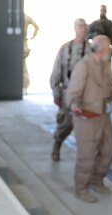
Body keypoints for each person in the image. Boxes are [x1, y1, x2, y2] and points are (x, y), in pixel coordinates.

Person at [65, 35, 112, 203]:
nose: (111, 50)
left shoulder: (105, 66)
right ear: (102, 49)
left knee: (108, 150)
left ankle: (96, 180)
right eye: (109, 47)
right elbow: (72, 94)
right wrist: (74, 106)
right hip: (86, 118)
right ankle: (81, 188)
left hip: (103, 116)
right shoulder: (83, 66)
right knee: (86, 155)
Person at [49, 18, 89, 161]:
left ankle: (85, 156)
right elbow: (56, 72)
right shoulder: (65, 49)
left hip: (86, 95)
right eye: (79, 27)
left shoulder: (90, 50)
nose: (82, 30)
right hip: (68, 93)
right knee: (66, 124)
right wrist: (56, 92)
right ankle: (57, 144)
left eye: (84, 27)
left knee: (87, 128)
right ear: (74, 28)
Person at [22, 14, 40, 94]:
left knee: (23, 66)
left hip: (22, 42)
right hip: (23, 43)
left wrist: (31, 37)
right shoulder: (26, 17)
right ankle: (24, 87)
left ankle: (24, 86)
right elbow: (36, 27)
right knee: (23, 66)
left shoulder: (25, 17)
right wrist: (32, 36)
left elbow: (36, 27)